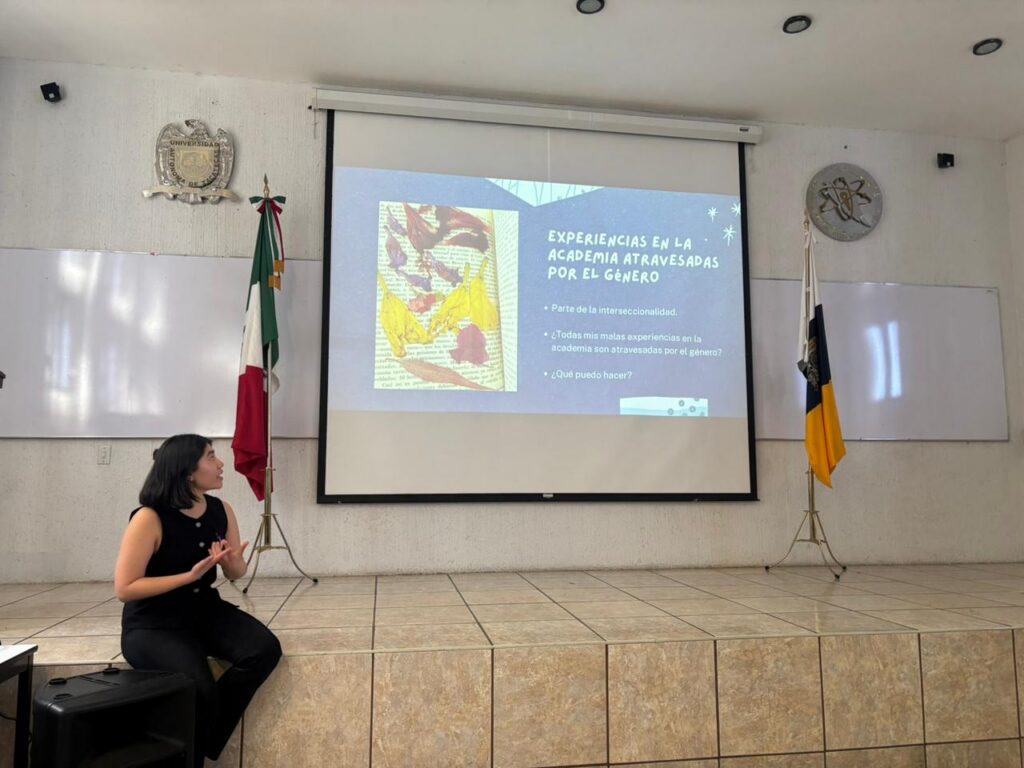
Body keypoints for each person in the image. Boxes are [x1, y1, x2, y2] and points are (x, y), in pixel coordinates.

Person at [115, 434, 281, 767]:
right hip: (154, 624)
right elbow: (126, 588)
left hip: (204, 610)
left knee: (264, 650)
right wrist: (189, 577)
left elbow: (236, 573)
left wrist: (232, 562)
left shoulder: (221, 510)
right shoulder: (149, 517)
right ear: (188, 471)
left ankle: (203, 743)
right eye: (211, 456)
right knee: (199, 690)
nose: (221, 464)